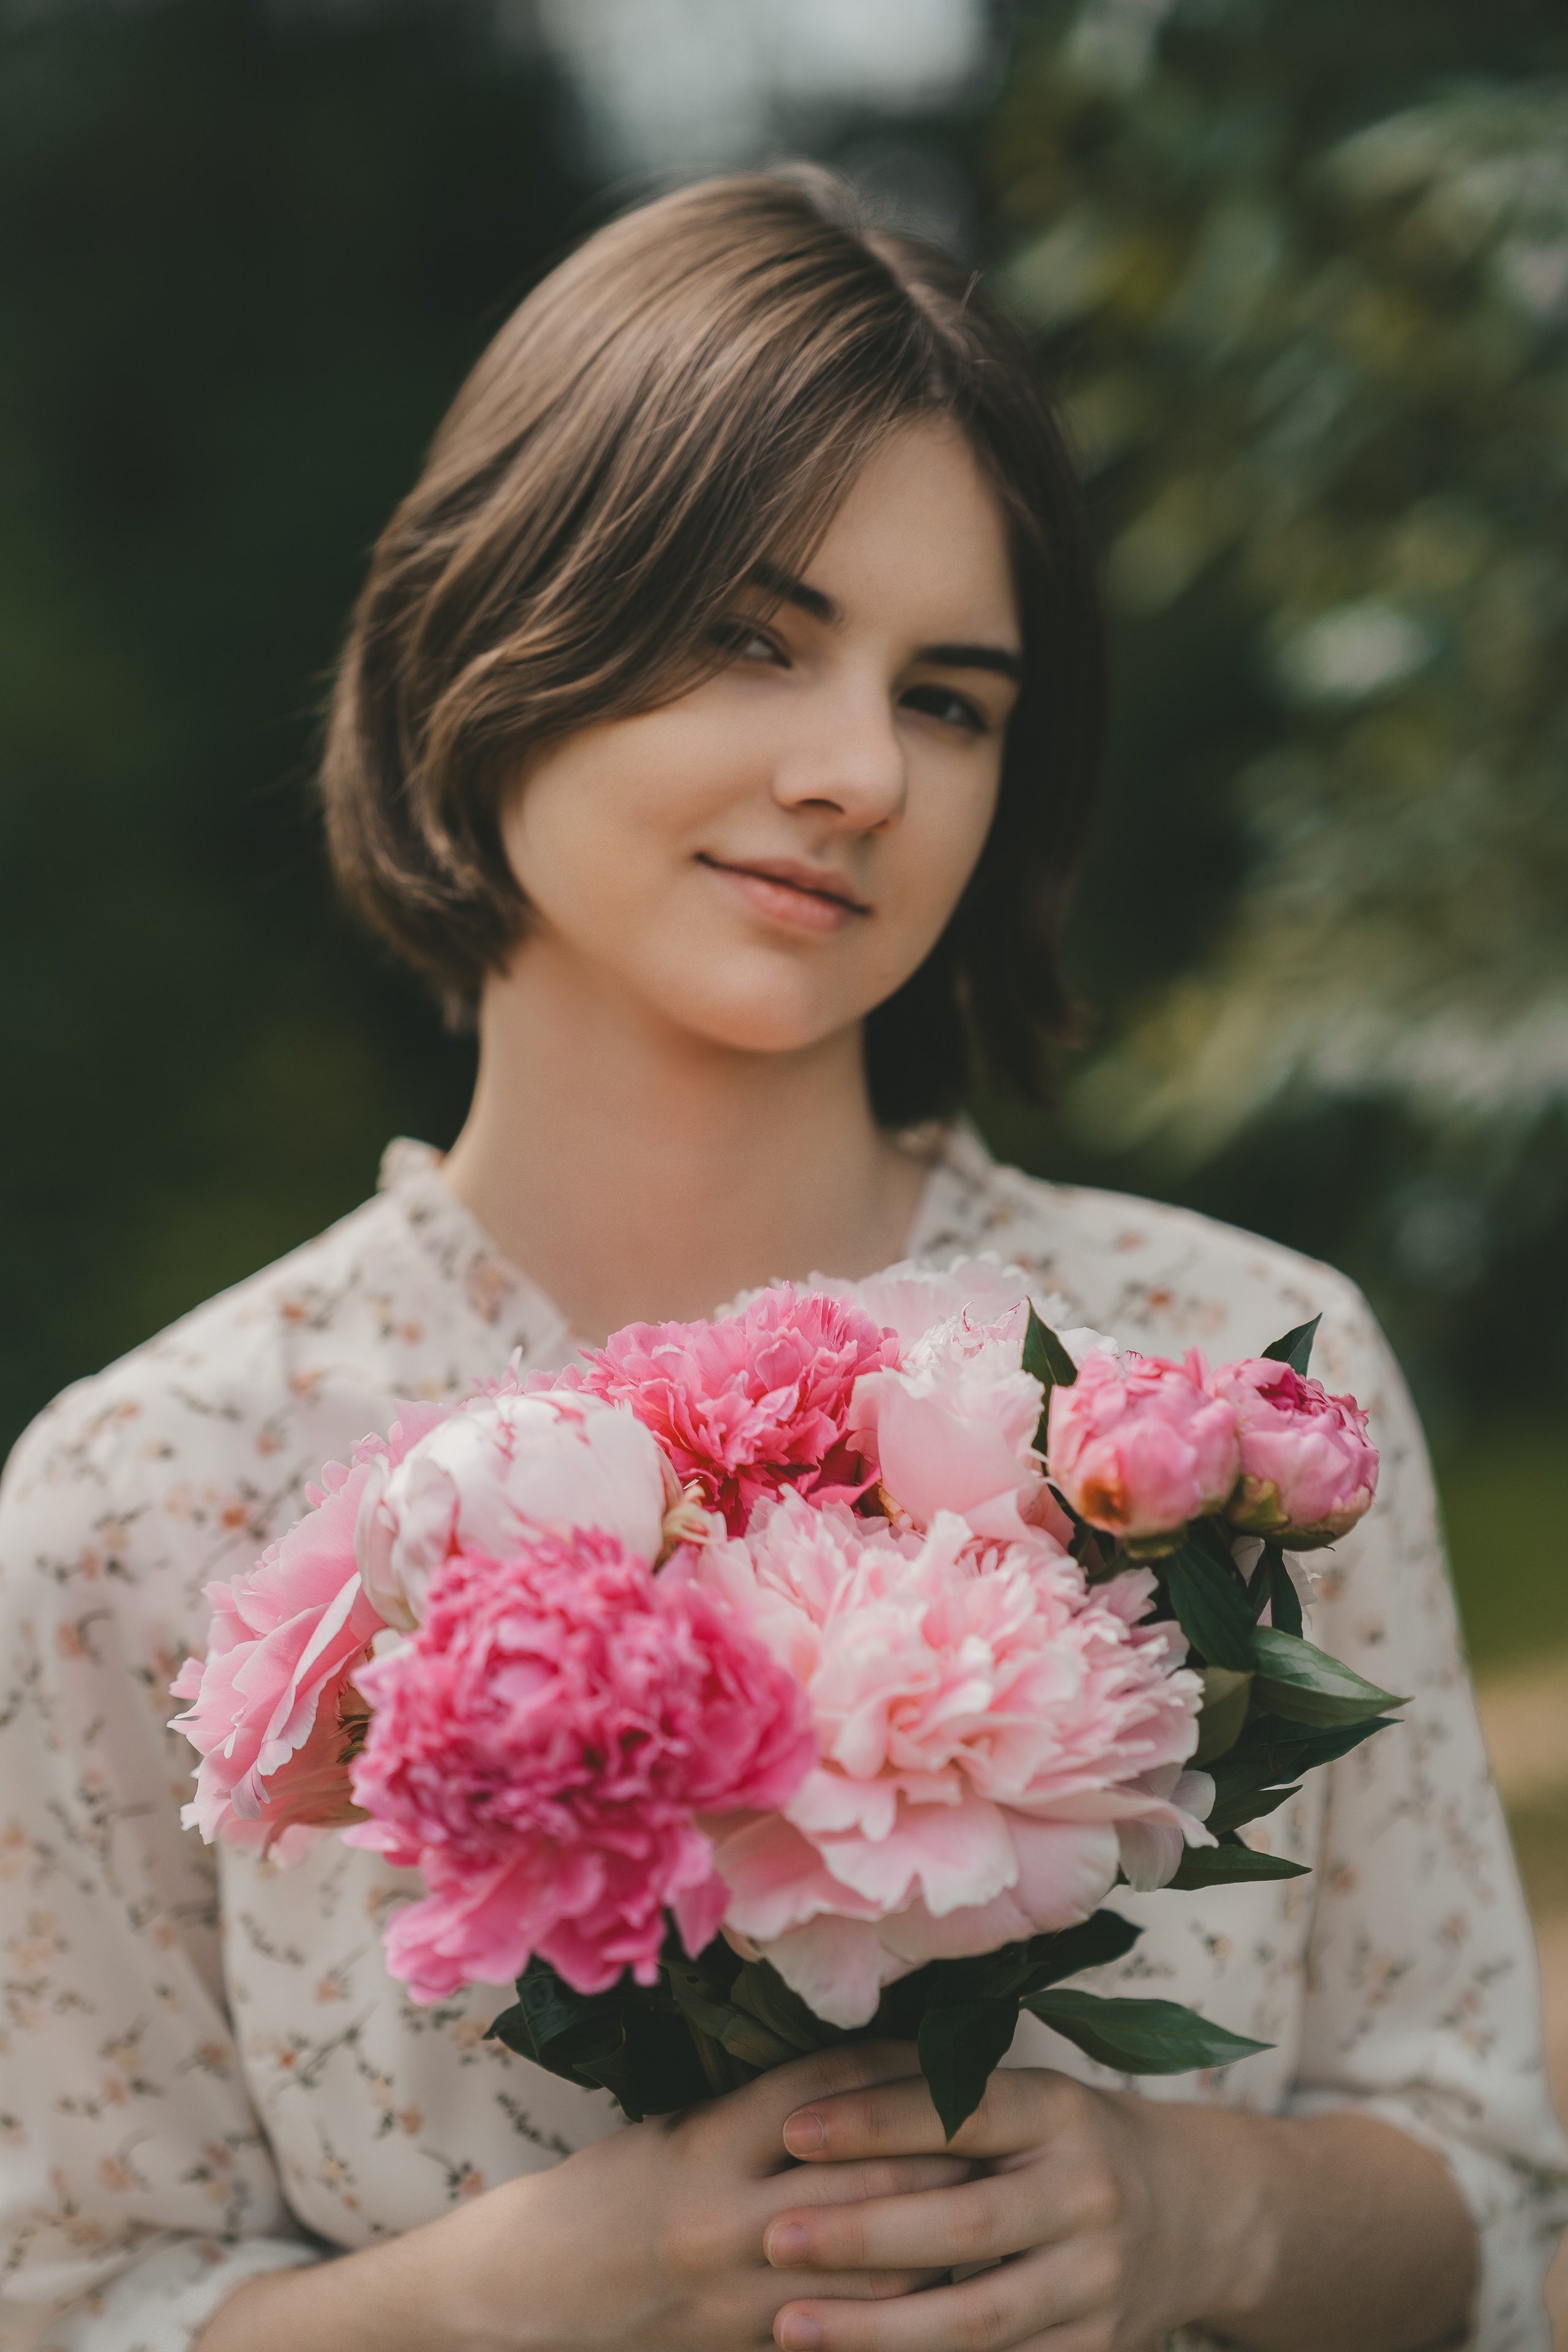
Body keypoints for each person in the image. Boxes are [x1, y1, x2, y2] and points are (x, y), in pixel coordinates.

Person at [0, 168, 1562, 2352]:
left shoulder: (1224, 1389)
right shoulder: (142, 1494)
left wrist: (1205, 2214)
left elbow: (1488, 2183)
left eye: (952, 700)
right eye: (752, 634)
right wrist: (503, 2298)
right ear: (492, 631)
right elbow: (75, 2299)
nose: (855, 774)